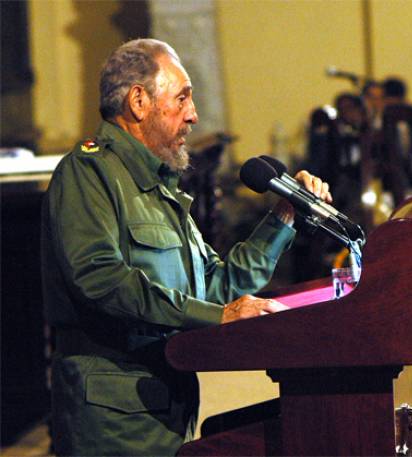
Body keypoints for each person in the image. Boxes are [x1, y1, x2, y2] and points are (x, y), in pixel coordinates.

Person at [41, 39, 331, 456]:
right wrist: (217, 316)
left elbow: (216, 285)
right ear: (139, 101)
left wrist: (285, 216)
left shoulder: (158, 186)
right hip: (113, 420)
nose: (193, 115)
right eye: (182, 99)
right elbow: (101, 280)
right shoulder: (89, 172)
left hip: (166, 404)